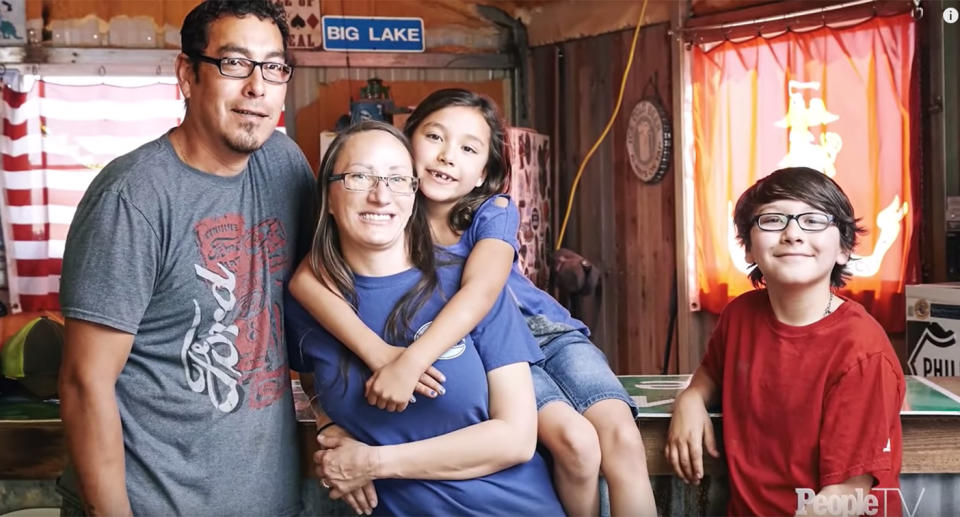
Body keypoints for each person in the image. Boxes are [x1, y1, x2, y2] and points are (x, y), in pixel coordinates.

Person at [289, 88, 657, 517]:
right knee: (575, 441)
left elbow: (481, 293)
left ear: (484, 172)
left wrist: (407, 363)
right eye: (434, 138)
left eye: (468, 148)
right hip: (483, 343)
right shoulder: (390, 216)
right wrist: (368, 372)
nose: (447, 156)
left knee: (622, 439)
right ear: (409, 146)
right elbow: (305, 282)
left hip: (542, 331)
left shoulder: (490, 212)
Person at [57, 1, 315, 515]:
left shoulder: (285, 165)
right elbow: (85, 382)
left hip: (269, 500)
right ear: (187, 74)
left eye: (274, 67)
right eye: (235, 63)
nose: (257, 87)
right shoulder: (132, 197)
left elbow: (316, 303)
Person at [286, 120, 565, 516]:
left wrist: (372, 463)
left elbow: (515, 438)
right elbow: (312, 377)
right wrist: (328, 424)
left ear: (414, 195)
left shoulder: (466, 287)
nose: (381, 195)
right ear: (328, 197)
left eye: (399, 179)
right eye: (360, 176)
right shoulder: (308, 303)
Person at [665, 167, 905, 516]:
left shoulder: (862, 352)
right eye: (773, 220)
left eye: (813, 221)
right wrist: (690, 399)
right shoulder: (740, 316)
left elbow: (847, 495)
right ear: (747, 249)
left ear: (843, 249)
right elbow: (711, 374)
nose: (792, 233)